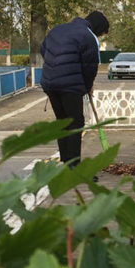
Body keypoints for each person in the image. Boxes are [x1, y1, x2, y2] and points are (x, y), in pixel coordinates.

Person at [40, 10, 109, 174]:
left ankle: (65, 163)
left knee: (62, 122)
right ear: (98, 28)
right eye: (101, 33)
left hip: (50, 83)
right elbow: (89, 67)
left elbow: (44, 50)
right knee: (75, 124)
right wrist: (87, 87)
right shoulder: (88, 37)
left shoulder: (57, 30)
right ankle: (73, 167)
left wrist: (55, 67)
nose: (99, 36)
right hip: (70, 86)